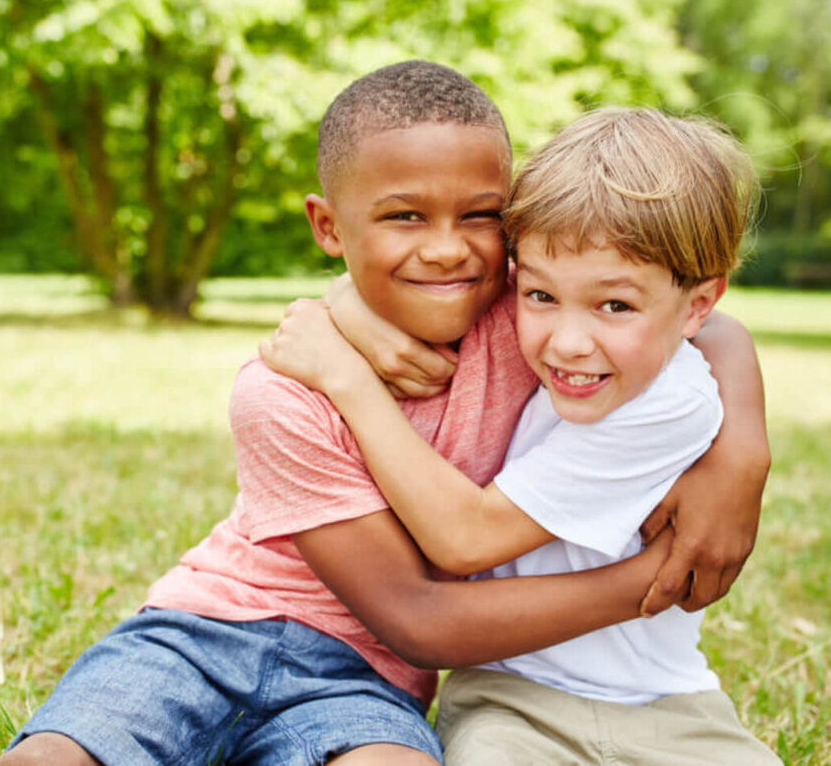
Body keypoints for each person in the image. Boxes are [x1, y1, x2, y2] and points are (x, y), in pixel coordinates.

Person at [0, 64, 769, 766]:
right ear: (329, 226)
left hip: (364, 683)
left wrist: (741, 453)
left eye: (480, 216)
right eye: (405, 217)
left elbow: (697, 321)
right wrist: (648, 578)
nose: (445, 250)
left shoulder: (529, 319)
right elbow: (421, 613)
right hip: (201, 636)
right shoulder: (285, 390)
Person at [260, 107, 778, 764]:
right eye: (538, 295)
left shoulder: (668, 402)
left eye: (613, 305)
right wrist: (343, 304)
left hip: (671, 707)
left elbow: (466, 537)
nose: (566, 341)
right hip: (509, 699)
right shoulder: (547, 318)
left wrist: (348, 379)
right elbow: (426, 276)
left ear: (697, 305)